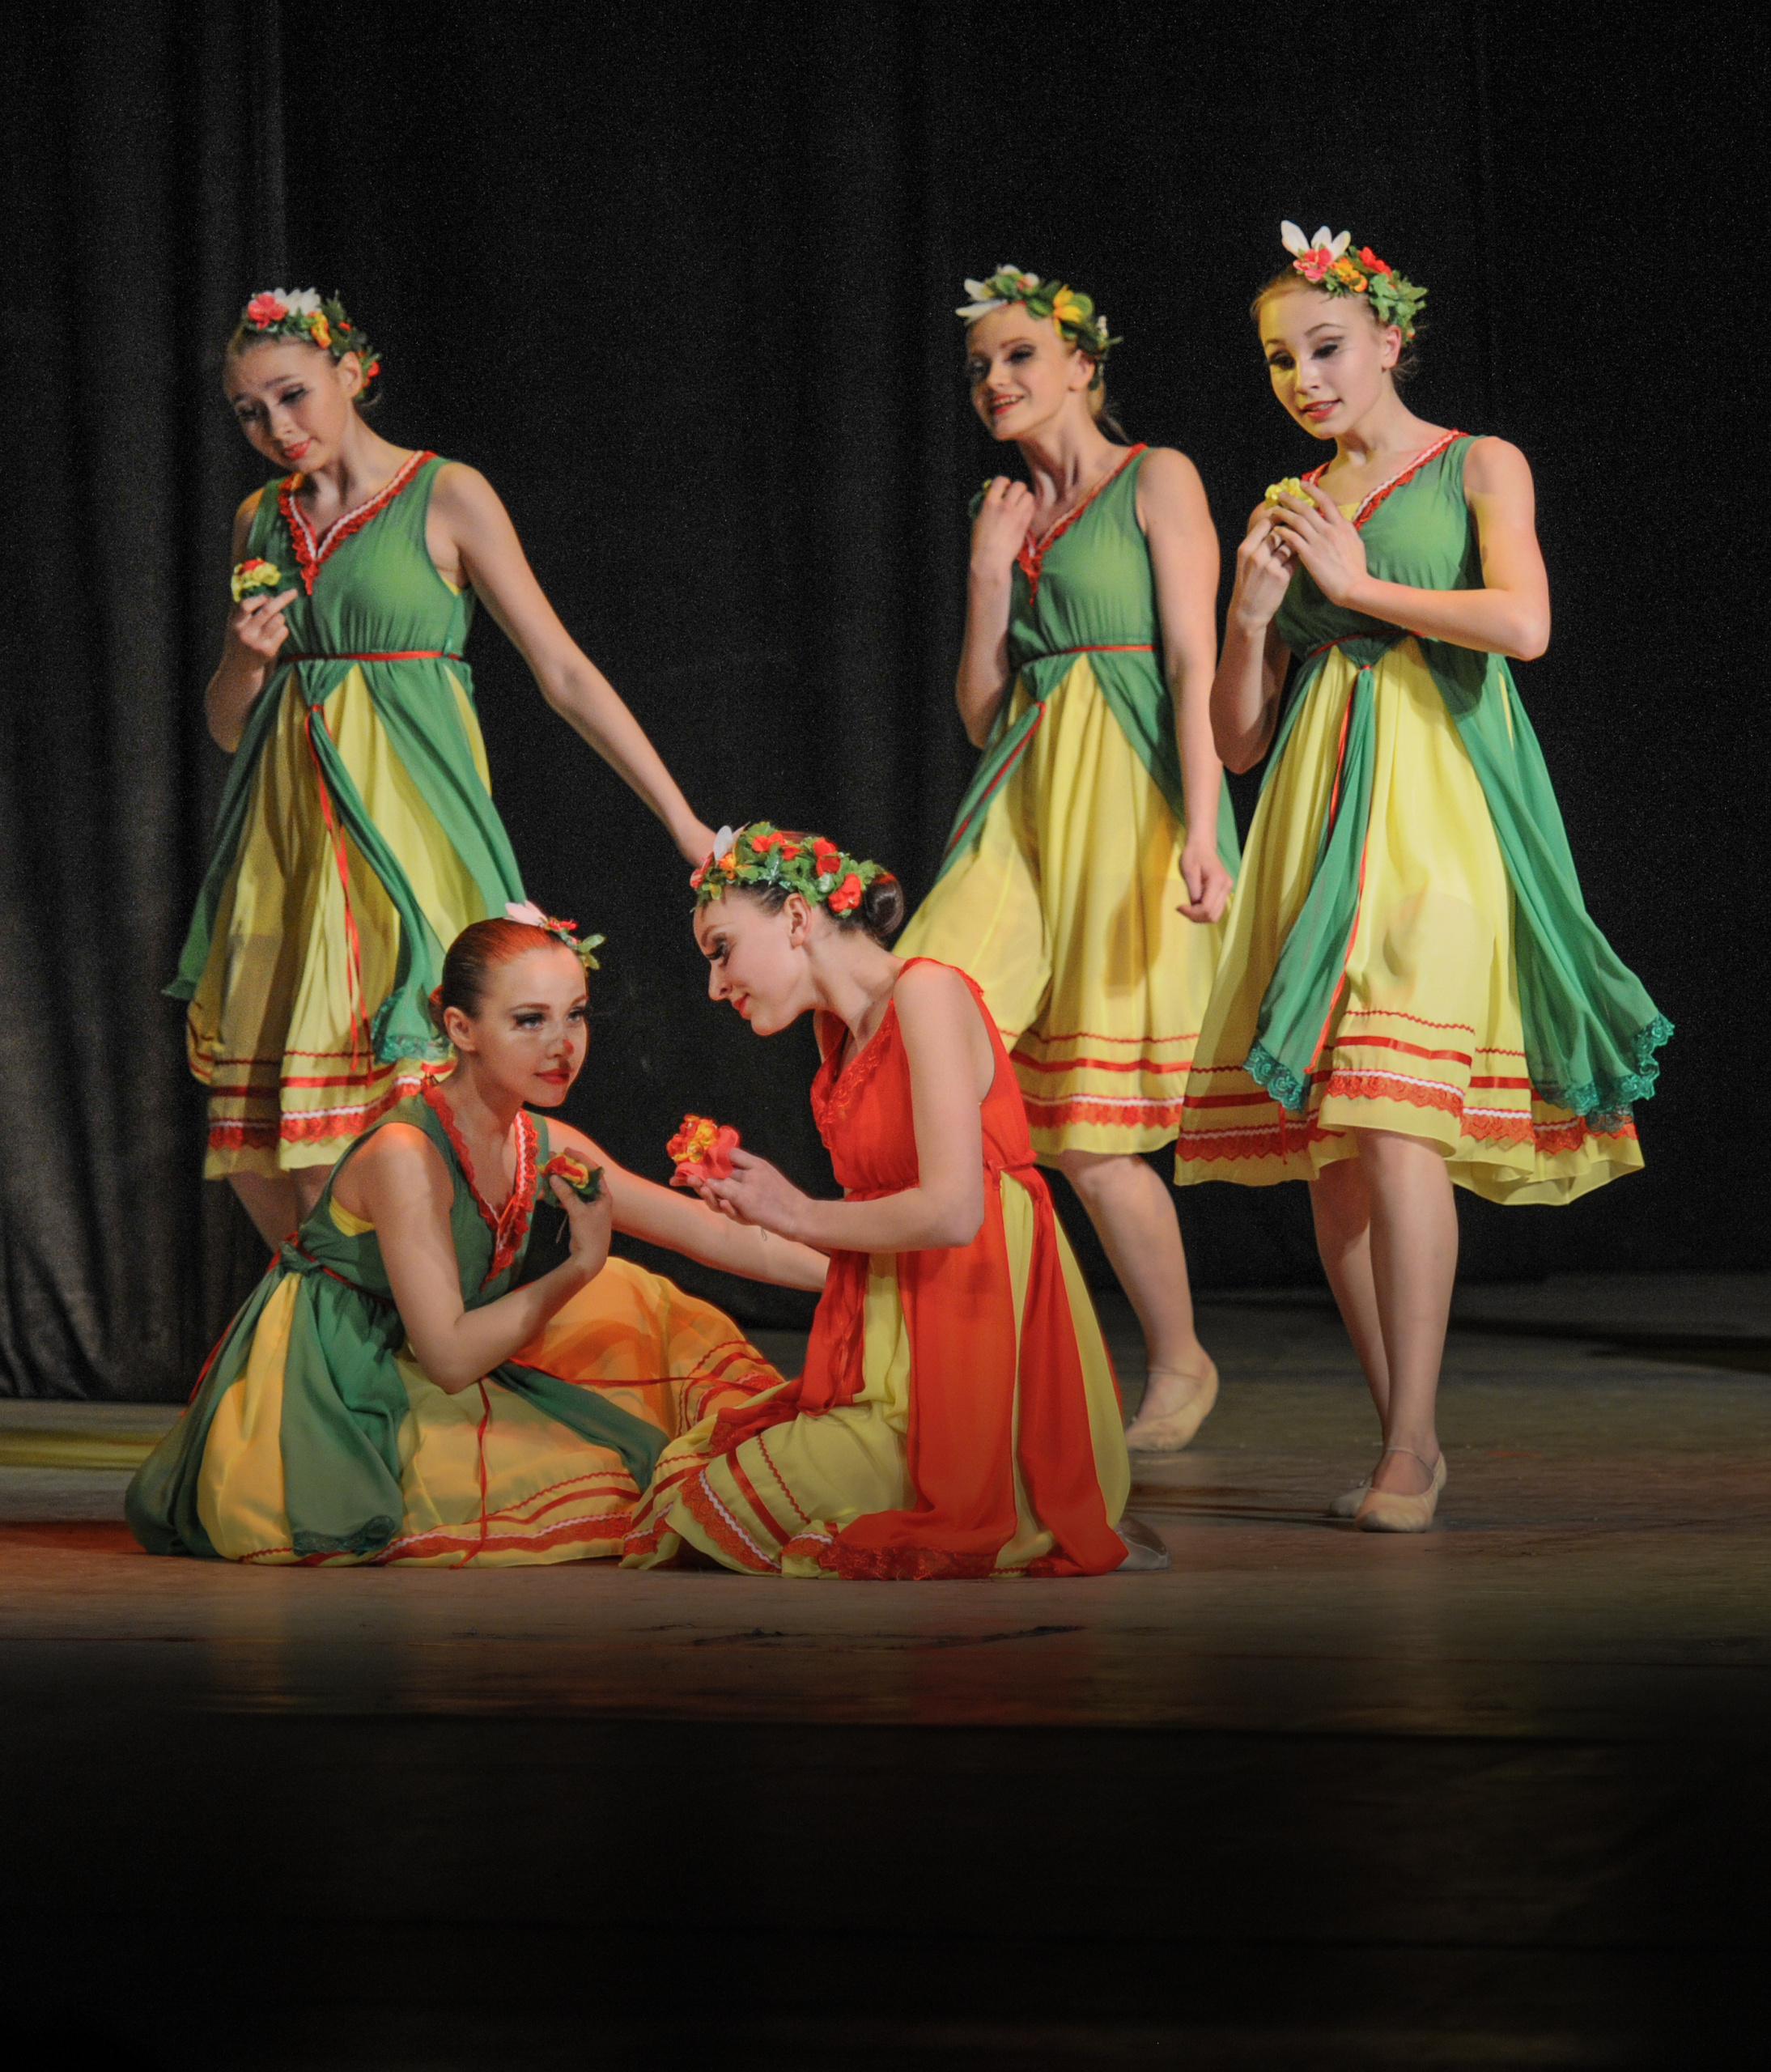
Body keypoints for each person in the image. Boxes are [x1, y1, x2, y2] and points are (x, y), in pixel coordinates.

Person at [1175, 223, 1671, 1531]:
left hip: (1442, 808)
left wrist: (1358, 583)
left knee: (1397, 1118)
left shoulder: (1475, 465)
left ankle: (1408, 1443)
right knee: (1338, 1144)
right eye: (1281, 359)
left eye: (1324, 348)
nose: (1302, 378)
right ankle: (1404, 1431)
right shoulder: (1284, 500)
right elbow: (1235, 738)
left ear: (1388, 338)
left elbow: (1522, 624)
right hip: (1310, 818)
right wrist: (1244, 619)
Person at [173, 288, 716, 1246]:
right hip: (288, 851)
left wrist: (680, 820)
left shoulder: (445, 492)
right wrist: (244, 661)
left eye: (293, 395)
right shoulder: (259, 518)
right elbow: (227, 728)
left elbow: (561, 670)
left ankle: (435, 1346)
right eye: (250, 411)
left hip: (411, 835)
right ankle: (345, 1358)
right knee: (285, 1154)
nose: (275, 427)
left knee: (415, 1111)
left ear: (351, 372)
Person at [128, 911, 824, 1565]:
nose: (562, 1046)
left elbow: (716, 1235)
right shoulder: (407, 1153)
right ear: (461, 1028)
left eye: (574, 1016)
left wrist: (875, 1266)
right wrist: (580, 1265)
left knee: (651, 1309)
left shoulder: (540, 1138)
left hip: (435, 1343)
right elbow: (452, 1359)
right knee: (599, 1465)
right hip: (342, 1378)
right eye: (529, 1021)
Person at [622, 824, 1165, 1579]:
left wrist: (793, 1209)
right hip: (902, 1343)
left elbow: (952, 1213)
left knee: (717, 1503)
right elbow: (870, 1226)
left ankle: (1013, 1482)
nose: (716, 985)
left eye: (722, 949)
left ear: (799, 919)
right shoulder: (836, 1032)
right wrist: (754, 1204)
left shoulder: (927, 992)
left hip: (975, 1344)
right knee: (699, 1475)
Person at [894, 265, 1238, 1452]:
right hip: (1020, 799)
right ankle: (959, 1360)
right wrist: (989, 577)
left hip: (1127, 800)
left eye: (1022, 356)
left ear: (1085, 365)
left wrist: (1202, 824)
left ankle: (1180, 1359)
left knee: (1089, 1132)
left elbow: (1194, 662)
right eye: (982, 365)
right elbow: (984, 713)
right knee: (923, 1019)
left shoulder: (1159, 479)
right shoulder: (1007, 514)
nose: (996, 381)